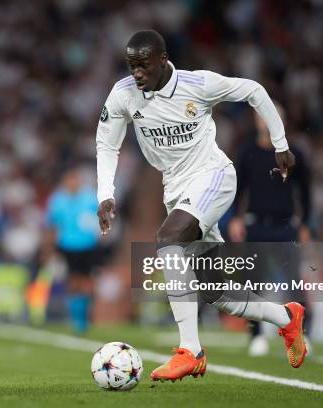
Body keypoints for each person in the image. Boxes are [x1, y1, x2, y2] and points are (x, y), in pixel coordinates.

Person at [96, 30, 306, 382]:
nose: (137, 74)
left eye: (143, 66)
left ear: (162, 60)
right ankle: (287, 318)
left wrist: (280, 144)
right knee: (216, 292)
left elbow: (254, 91)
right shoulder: (123, 95)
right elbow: (106, 144)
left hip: (214, 176)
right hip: (176, 189)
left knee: (168, 239)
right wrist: (105, 193)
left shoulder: (198, 84)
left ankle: (190, 350)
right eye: (132, 66)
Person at [229, 104, 312, 356]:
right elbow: (237, 188)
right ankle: (256, 336)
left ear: (282, 121)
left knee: (294, 284)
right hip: (255, 226)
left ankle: (301, 334)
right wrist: (235, 218)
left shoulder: (293, 152)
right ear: (257, 121)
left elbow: (305, 191)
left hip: (286, 227)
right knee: (253, 284)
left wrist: (306, 223)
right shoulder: (248, 152)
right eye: (263, 116)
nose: (267, 121)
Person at [45, 166, 100, 333]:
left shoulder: (90, 198)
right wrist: (49, 249)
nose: (72, 183)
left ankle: (85, 316)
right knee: (72, 281)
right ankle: (77, 318)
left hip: (88, 245)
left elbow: (100, 221)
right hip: (67, 245)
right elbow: (53, 226)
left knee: (87, 282)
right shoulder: (57, 200)